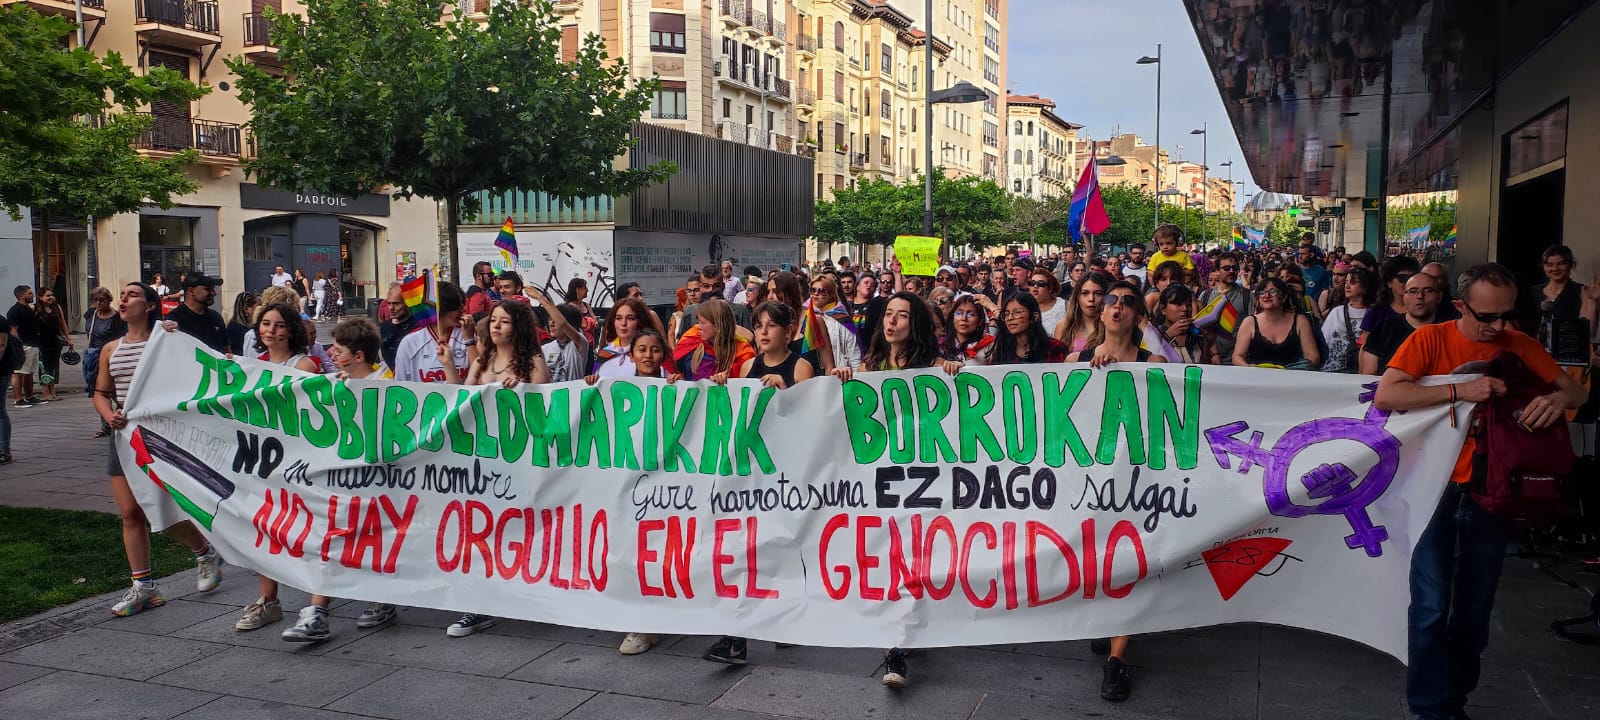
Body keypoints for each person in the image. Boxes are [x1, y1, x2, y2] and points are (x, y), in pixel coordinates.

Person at [1374, 264, 1588, 720]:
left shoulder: (1522, 345)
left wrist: (1555, 399)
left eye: (1507, 316)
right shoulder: (1428, 340)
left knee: (1474, 609)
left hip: (1492, 491)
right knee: (1431, 605)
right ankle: (1432, 708)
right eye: (1487, 317)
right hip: (1434, 488)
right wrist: (1461, 390)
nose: (1498, 328)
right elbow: (1387, 396)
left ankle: (1456, 698)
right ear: (1460, 307)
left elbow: (1575, 391)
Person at [829, 291, 963, 688]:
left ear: (915, 324)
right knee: (891, 562)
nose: (892, 322)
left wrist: (956, 372)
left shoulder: (938, 367)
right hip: (884, 483)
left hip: (926, 482)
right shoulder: (869, 367)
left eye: (902, 316)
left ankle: (911, 628)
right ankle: (894, 651)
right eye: (888, 314)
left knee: (916, 560)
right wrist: (842, 382)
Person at [97, 283, 224, 616]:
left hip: (159, 436)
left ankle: (204, 551)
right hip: (123, 435)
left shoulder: (165, 341)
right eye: (122, 295)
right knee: (130, 513)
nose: (123, 299)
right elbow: (100, 392)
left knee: (162, 511)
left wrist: (172, 335)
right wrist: (109, 414)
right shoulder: (111, 349)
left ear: (150, 306)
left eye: (132, 295)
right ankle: (144, 587)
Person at [282, 317, 401, 642]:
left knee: (373, 541)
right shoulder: (337, 381)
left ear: (359, 356)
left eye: (339, 349)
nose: (331, 353)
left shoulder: (386, 383)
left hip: (381, 481)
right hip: (344, 480)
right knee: (334, 538)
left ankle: (381, 599)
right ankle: (316, 612)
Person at [234, 302, 324, 633]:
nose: (270, 330)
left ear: (291, 331)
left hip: (298, 460)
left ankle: (318, 604)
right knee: (265, 529)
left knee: (310, 528)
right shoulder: (253, 365)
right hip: (264, 460)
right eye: (265, 324)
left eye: (279, 325)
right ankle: (268, 601)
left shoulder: (304, 365)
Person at [1360, 272, 1443, 375]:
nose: (1420, 296)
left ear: (1439, 296)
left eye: (1428, 291)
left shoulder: (1450, 332)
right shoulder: (1383, 330)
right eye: (1413, 291)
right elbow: (1368, 376)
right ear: (1404, 296)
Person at [1233, 277, 1321, 369]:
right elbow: (1237, 356)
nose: (1266, 295)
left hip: (1291, 378)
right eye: (1262, 293)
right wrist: (1249, 367)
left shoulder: (1300, 320)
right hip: (1256, 378)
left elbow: (1313, 357)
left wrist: (1298, 368)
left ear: (1284, 297)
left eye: (1272, 292)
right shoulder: (1249, 322)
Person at [465, 300, 551, 387]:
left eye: (505, 321)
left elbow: (542, 398)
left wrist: (522, 389)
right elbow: (465, 397)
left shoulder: (534, 365)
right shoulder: (480, 362)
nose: (496, 326)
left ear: (520, 327)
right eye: (493, 320)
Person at [672, 298, 754, 382]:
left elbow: (745, 385)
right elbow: (678, 370)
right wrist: (679, 379)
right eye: (698, 321)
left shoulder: (743, 351)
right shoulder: (692, 339)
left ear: (718, 325)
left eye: (702, 323)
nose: (698, 327)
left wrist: (728, 379)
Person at [83, 287, 127, 436]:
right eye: (94, 300)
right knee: (99, 392)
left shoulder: (117, 318)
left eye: (101, 299)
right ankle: (106, 425)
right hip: (94, 358)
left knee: (116, 392)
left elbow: (120, 339)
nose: (98, 302)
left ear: (109, 300)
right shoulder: (90, 314)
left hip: (111, 357)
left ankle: (121, 416)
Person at [1198, 253, 1252, 365]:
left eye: (1235, 268)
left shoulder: (1248, 296)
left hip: (1238, 361)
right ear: (1217, 270)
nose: (1231, 271)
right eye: (1226, 268)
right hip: (1211, 360)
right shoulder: (1205, 296)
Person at [592, 298, 666, 378]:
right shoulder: (605, 353)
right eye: (618, 318)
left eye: (630, 318)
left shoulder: (654, 352)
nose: (623, 323)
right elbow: (594, 385)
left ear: (641, 321)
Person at [1321, 267, 1376, 373]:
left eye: (1353, 282)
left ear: (1365, 287)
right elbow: (1323, 341)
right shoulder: (1336, 312)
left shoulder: (1375, 315)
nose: (1347, 285)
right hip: (1332, 371)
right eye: (1346, 282)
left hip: (1361, 372)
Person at [1360, 255, 1422, 343]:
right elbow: (1365, 349)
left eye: (1412, 278)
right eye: (1402, 278)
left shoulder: (1424, 310)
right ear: (1389, 282)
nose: (1408, 282)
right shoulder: (1375, 313)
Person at [165, 273, 230, 354]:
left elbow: (226, 349)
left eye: (213, 289)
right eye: (208, 289)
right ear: (191, 291)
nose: (214, 293)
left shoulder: (216, 317)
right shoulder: (174, 319)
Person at [1054, 272, 1109, 354]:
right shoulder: (1062, 327)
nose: (1091, 299)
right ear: (1077, 296)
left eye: (1098, 293)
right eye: (1085, 293)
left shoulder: (1112, 327)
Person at [8, 285, 45, 407]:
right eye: (30, 293)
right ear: (22, 295)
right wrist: (18, 347)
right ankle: (18, 399)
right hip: (24, 344)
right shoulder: (15, 310)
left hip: (33, 343)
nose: (32, 295)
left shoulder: (29, 309)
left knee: (29, 372)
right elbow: (13, 330)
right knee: (18, 372)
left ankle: (29, 396)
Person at [32, 288, 71, 402]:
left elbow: (63, 323)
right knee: (43, 366)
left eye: (52, 295)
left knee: (54, 366)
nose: (51, 298)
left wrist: (68, 338)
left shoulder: (57, 308)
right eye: (47, 295)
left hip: (55, 340)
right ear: (40, 297)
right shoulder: (35, 309)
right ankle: (45, 392)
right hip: (41, 341)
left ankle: (52, 391)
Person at [1155, 284, 1209, 364]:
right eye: (1178, 304)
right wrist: (1167, 336)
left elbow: (1207, 368)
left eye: (1188, 304)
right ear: (1163, 308)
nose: (1185, 309)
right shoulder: (1153, 335)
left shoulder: (1198, 336)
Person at [942, 295, 994, 364]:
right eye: (959, 313)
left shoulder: (990, 345)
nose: (964, 318)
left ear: (980, 321)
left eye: (971, 314)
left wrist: (992, 307)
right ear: (953, 317)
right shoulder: (941, 345)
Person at [379, 282, 416, 370]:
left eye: (396, 303)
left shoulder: (418, 326)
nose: (391, 308)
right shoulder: (383, 327)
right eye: (389, 303)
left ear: (407, 303)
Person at [1027, 269, 1068, 334]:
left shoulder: (1066, 306)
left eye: (1041, 284)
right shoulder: (1025, 307)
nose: (1035, 286)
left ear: (1050, 288)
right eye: (1032, 283)